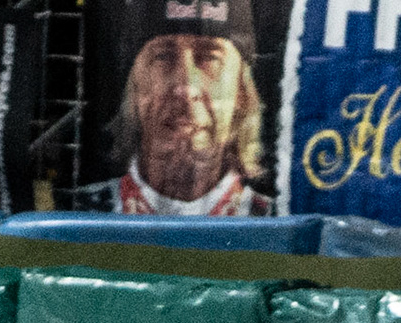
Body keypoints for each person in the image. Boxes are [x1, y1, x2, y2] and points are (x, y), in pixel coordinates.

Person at [68, 0, 273, 216]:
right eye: (163, 56)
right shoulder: (78, 216)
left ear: (241, 92)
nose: (185, 89)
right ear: (135, 87)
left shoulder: (276, 224)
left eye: (210, 57)